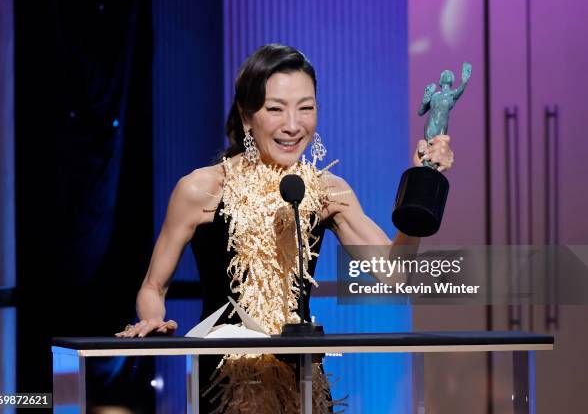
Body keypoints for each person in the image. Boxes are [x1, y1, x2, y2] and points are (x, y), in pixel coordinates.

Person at [115, 43, 454, 413]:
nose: (293, 125)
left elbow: (395, 274)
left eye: (305, 108)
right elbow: (153, 286)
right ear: (246, 116)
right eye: (275, 109)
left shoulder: (327, 191)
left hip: (303, 380)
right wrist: (152, 318)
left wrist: (423, 183)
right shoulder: (201, 189)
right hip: (223, 386)